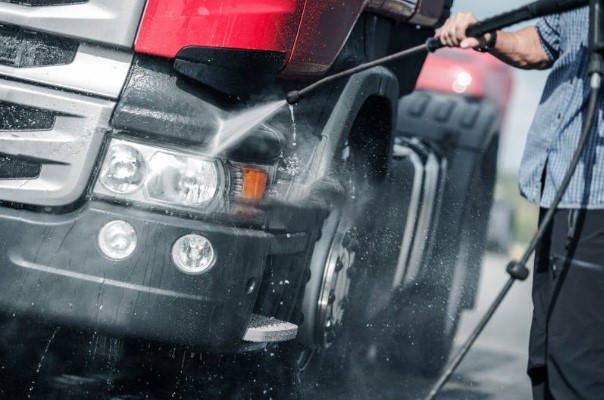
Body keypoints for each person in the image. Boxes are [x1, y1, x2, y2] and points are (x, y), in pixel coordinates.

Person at [439, 7, 604, 400]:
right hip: (561, 189)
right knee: (545, 356)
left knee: (578, 365)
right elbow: (543, 43)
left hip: (597, 197)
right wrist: (489, 37)